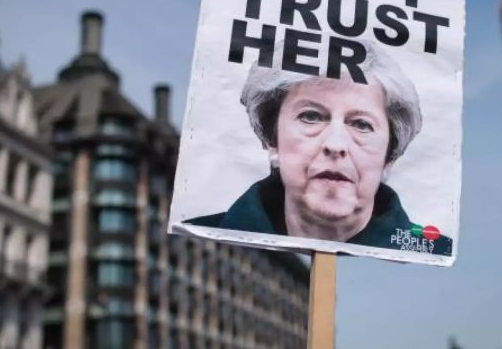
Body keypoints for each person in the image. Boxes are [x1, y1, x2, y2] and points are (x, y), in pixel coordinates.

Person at [184, 41, 452, 256]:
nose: (335, 145)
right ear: (272, 140)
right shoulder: (199, 237)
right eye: (311, 117)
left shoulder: (435, 251)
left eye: (361, 124)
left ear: (389, 157)